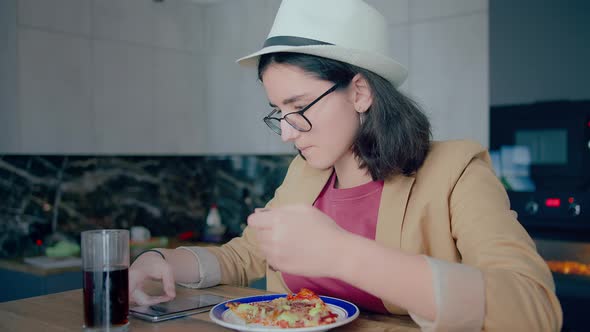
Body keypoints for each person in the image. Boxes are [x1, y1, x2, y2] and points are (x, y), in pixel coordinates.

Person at [129, 0, 562, 330]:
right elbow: (247, 254)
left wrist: (344, 254)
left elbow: (535, 309)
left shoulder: (457, 171)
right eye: (278, 112)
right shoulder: (306, 172)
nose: (287, 134)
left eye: (298, 106)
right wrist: (162, 263)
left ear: (359, 93)